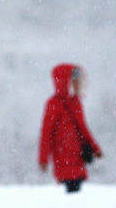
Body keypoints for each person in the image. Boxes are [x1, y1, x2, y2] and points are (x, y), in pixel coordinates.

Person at [38, 63, 102, 193]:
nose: (79, 85)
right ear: (66, 82)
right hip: (62, 158)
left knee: (75, 193)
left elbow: (83, 129)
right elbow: (46, 133)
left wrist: (95, 148)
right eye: (75, 82)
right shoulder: (54, 104)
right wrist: (43, 158)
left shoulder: (76, 102)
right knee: (70, 192)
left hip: (78, 157)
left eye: (79, 82)